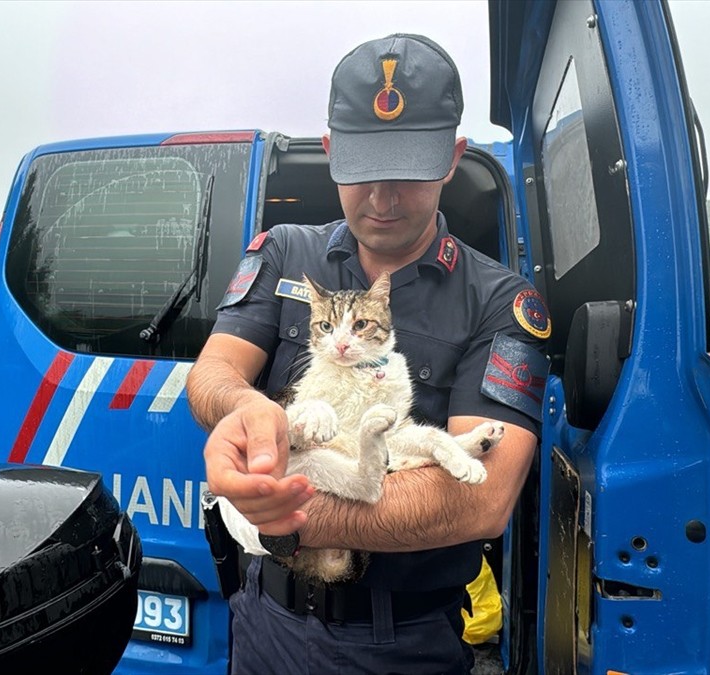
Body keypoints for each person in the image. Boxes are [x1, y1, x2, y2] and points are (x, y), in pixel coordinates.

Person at [187, 33, 549, 674]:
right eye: (361, 170)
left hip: (397, 645)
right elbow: (213, 373)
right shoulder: (283, 253)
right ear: (330, 153)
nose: (383, 198)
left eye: (408, 170)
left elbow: (484, 497)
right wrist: (245, 406)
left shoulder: (499, 300)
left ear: (451, 158)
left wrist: (289, 517)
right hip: (262, 619)